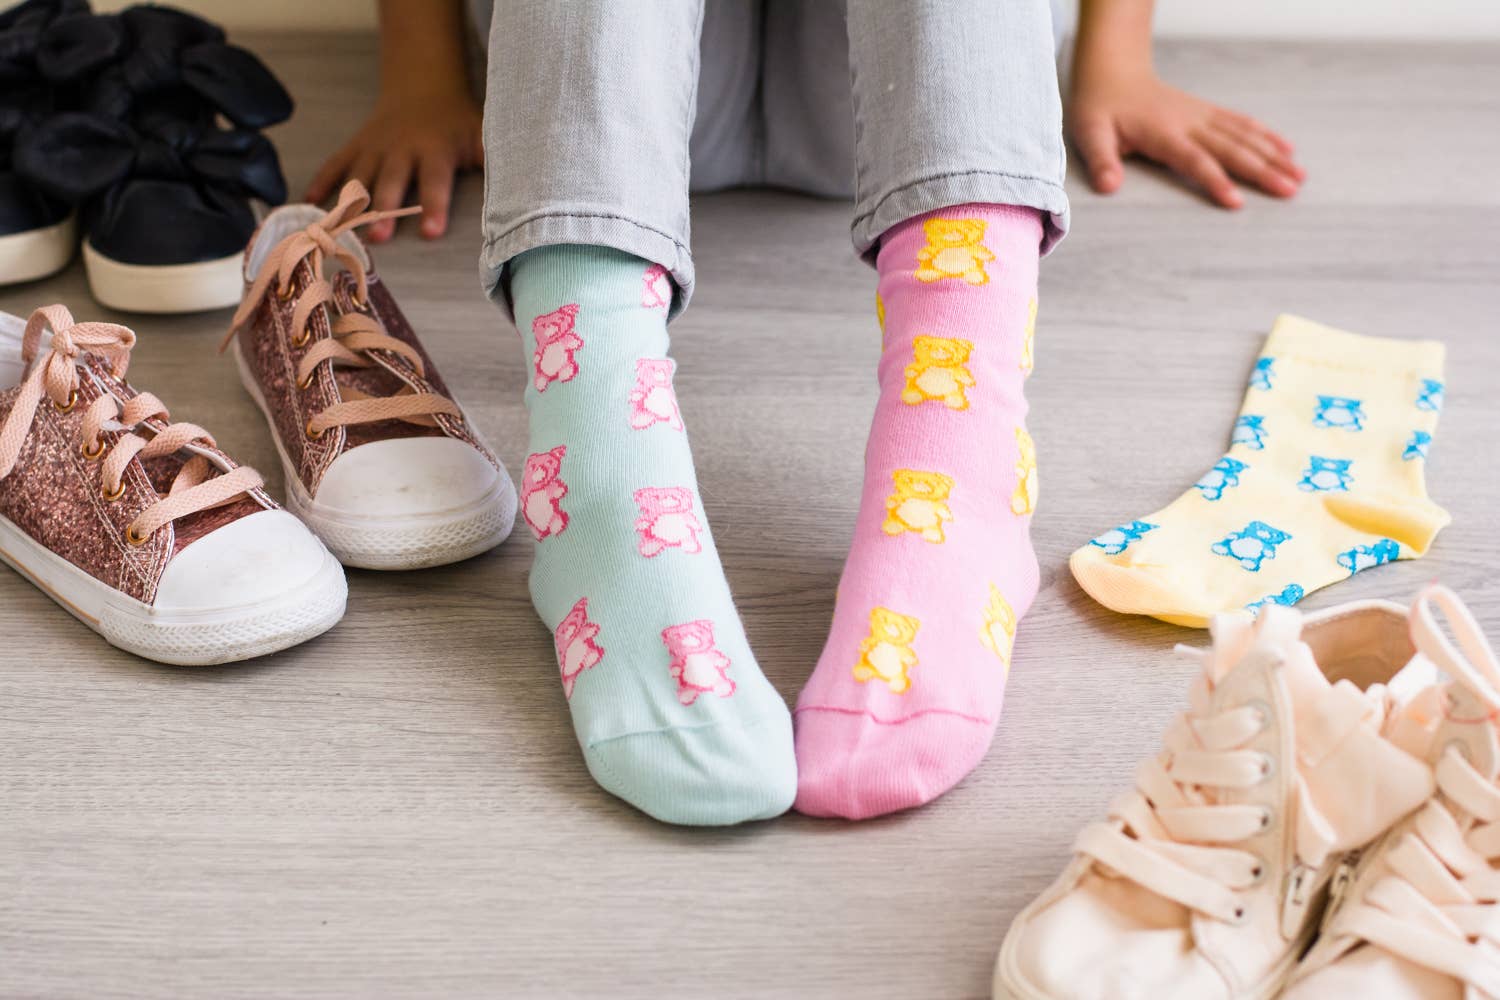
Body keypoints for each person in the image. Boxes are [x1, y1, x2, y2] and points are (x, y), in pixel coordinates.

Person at [306, 0, 1305, 243]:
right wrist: (421, 78)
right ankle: (600, 449)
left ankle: (954, 466)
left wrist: (1115, 59)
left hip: (899, 80)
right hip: (620, 76)